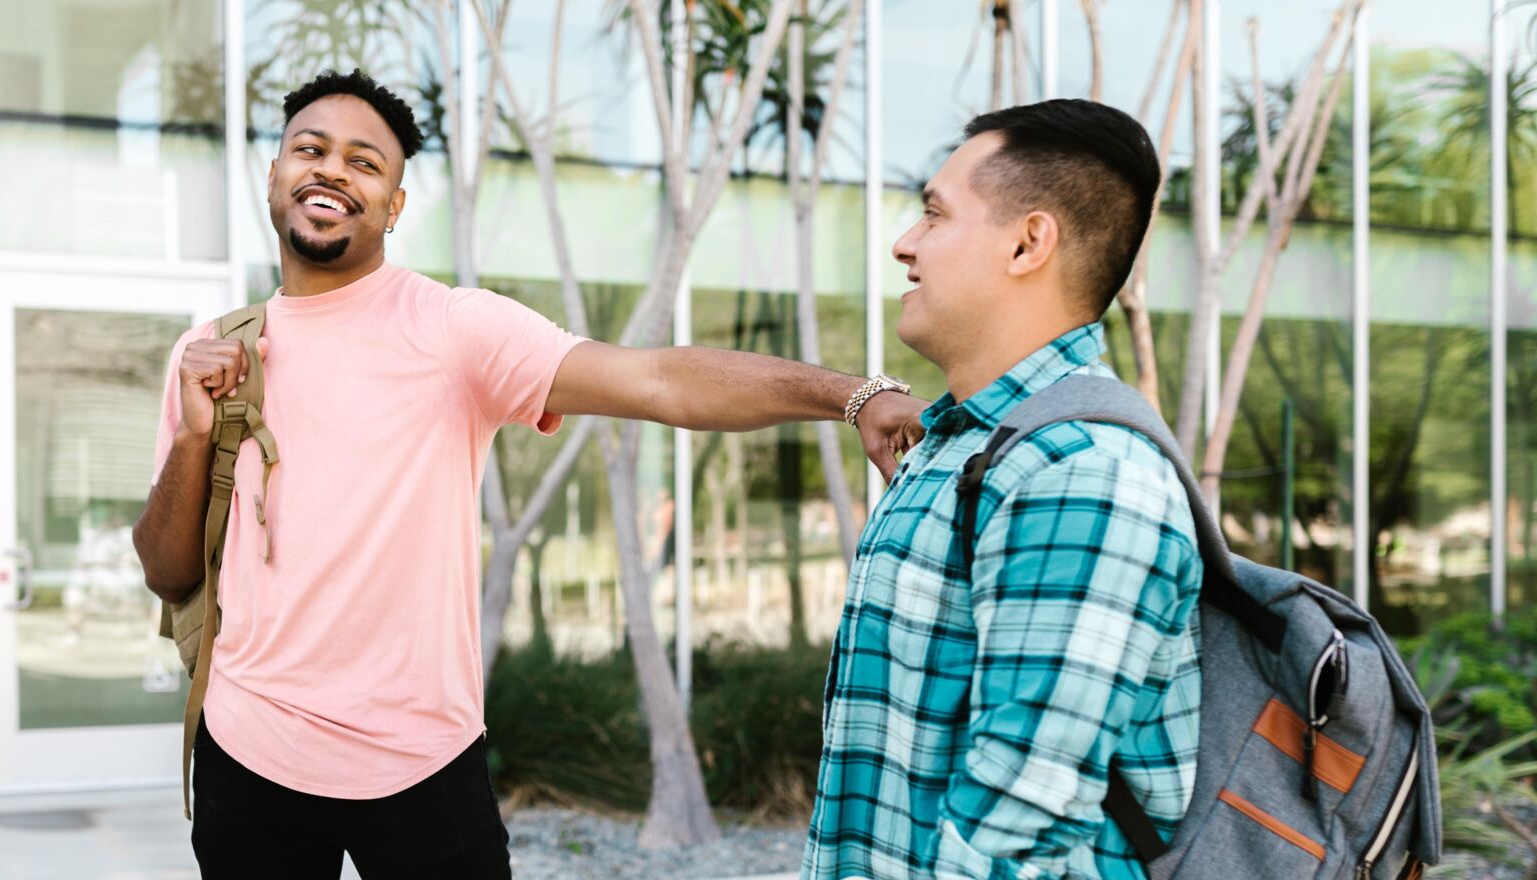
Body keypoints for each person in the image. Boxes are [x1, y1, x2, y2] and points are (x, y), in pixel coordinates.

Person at [132, 68, 928, 879]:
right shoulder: (215, 353)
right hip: (249, 751)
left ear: (396, 206)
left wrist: (850, 395)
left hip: (421, 762)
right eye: (311, 149)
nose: (333, 170)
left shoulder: (452, 327)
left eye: (365, 162)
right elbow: (168, 573)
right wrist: (196, 437)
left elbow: (657, 380)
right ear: (276, 175)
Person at [802, 99, 1201, 880]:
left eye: (933, 216)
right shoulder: (963, 445)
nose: (904, 244)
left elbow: (1021, 820)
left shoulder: (1080, 471)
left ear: (1028, 243)